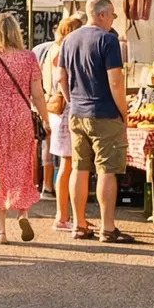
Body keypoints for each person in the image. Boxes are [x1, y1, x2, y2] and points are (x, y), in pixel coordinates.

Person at [57, 0, 135, 243]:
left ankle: (79, 224)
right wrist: (123, 111)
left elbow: (61, 78)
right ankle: (108, 227)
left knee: (79, 168)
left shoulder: (68, 40)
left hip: (78, 113)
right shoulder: (108, 40)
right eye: (112, 15)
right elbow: (115, 81)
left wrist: (71, 101)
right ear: (101, 14)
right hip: (104, 113)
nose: (113, 19)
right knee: (106, 170)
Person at [0, 11, 50, 244]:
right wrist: (45, 119)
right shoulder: (29, 58)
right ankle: (22, 213)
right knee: (22, 166)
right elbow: (38, 95)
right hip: (21, 115)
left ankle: (1, 230)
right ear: (16, 31)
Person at [44, 14, 84, 231]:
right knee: (68, 163)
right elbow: (61, 78)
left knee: (67, 163)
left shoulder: (55, 48)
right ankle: (62, 216)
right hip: (65, 110)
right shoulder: (62, 51)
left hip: (59, 110)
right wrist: (71, 100)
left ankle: (69, 215)